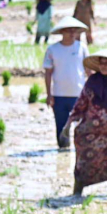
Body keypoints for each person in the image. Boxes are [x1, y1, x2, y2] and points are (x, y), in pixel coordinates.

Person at [60, 48, 107, 197]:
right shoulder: (92, 83)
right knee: (83, 166)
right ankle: (76, 195)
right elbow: (80, 105)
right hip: (89, 135)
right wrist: (68, 124)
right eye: (101, 63)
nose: (103, 66)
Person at [44, 17, 90, 148]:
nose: (72, 33)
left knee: (81, 125)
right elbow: (48, 73)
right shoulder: (52, 49)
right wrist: (49, 94)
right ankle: (63, 152)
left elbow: (88, 71)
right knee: (61, 126)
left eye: (74, 31)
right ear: (62, 32)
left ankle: (81, 152)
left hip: (79, 94)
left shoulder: (81, 47)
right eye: (69, 30)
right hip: (59, 95)